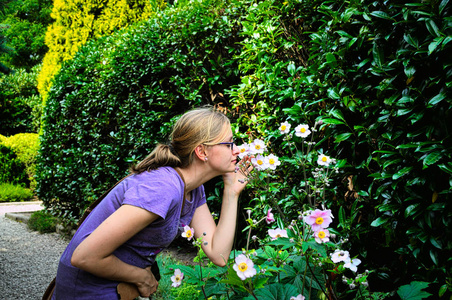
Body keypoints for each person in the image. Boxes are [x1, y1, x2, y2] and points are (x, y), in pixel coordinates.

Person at [52, 107, 251, 299]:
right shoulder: (163, 188)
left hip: (116, 285)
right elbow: (84, 256)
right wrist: (142, 277)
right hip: (87, 290)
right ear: (202, 151)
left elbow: (219, 254)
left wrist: (231, 193)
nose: (237, 151)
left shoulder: (192, 189)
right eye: (229, 144)